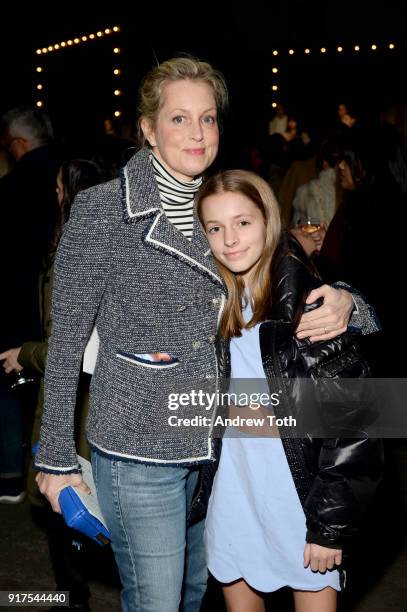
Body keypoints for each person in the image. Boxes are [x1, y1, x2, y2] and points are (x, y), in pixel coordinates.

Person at [34, 57, 376, 612]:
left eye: (209, 118)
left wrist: (351, 305)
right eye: (178, 119)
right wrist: (54, 461)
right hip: (137, 449)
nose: (197, 133)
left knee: (194, 595)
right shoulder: (102, 211)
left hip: (215, 453)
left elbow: (283, 279)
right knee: (158, 602)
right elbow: (66, 340)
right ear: (147, 128)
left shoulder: (217, 205)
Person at [197, 169, 383, 612]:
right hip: (233, 493)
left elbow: (356, 425)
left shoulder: (312, 306)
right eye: (215, 227)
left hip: (299, 496)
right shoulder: (211, 299)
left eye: (243, 222)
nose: (230, 239)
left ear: (269, 222)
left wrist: (329, 528)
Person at [0, 158, 112, 610]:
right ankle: (73, 596)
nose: (55, 195)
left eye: (60, 187)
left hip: (81, 403)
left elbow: (81, 349)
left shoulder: (84, 254)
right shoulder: (76, 246)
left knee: (70, 502)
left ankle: (74, 599)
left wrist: (24, 353)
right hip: (73, 397)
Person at [0, 106, 62, 503]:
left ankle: (10, 474)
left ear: (20, 143)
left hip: (15, 301)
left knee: (7, 383)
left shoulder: (10, 189)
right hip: (60, 304)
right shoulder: (76, 175)